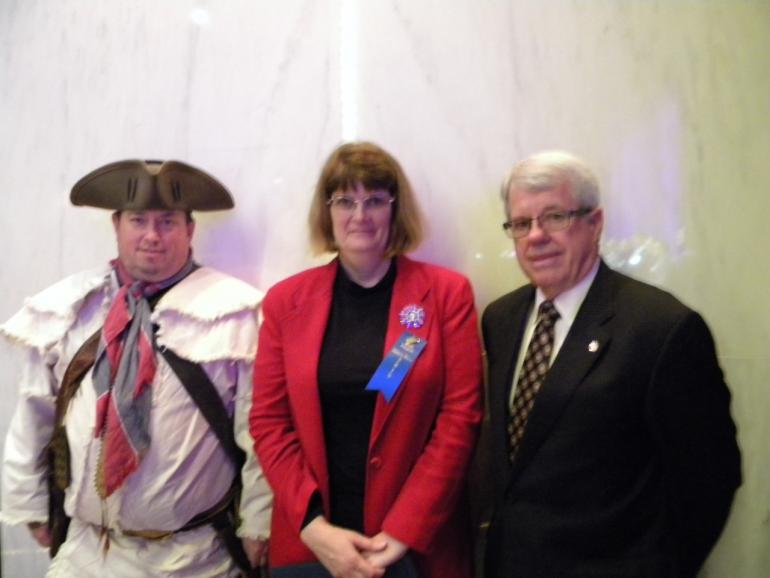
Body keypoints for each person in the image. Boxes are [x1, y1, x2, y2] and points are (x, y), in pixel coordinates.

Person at [0, 159, 272, 577]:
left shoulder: (234, 314)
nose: (151, 235)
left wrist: (258, 522)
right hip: (87, 555)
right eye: (138, 220)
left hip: (198, 558)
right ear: (116, 226)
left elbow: (257, 430)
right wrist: (29, 506)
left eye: (167, 221)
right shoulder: (69, 309)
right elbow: (35, 412)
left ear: (190, 230)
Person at [480, 150, 742, 578]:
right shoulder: (501, 319)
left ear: (595, 223)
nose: (536, 236)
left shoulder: (662, 328)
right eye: (521, 223)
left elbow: (709, 478)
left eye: (555, 217)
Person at [249, 142, 483, 578]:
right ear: (328, 211)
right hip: (312, 546)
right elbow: (268, 422)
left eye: (374, 200)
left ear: (395, 209)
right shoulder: (286, 302)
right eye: (345, 200)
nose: (360, 214)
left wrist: (402, 530)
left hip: (415, 545)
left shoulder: (446, 295)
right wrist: (314, 527)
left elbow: (460, 418)